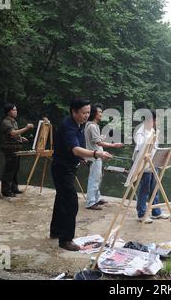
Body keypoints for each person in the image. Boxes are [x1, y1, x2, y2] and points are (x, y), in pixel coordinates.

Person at [50, 98, 113, 251]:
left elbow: (75, 150)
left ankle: (56, 231)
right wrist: (96, 154)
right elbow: (75, 149)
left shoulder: (79, 124)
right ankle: (66, 240)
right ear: (74, 111)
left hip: (68, 167)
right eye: (84, 113)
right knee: (71, 203)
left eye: (88, 112)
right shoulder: (68, 127)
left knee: (61, 200)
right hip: (62, 169)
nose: (87, 116)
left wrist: (82, 158)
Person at [133, 110, 170, 224]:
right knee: (144, 189)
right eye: (156, 119)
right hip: (144, 164)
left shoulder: (153, 130)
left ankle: (156, 212)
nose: (157, 121)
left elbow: (155, 148)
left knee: (155, 188)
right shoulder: (141, 132)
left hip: (154, 163)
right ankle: (141, 214)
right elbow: (139, 150)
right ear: (151, 119)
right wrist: (145, 160)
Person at [84, 104, 124, 210]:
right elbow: (98, 143)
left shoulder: (92, 125)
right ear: (94, 113)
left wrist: (102, 137)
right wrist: (114, 145)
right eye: (100, 112)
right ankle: (90, 202)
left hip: (97, 155)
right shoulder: (92, 126)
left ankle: (96, 198)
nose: (101, 114)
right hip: (94, 156)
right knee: (94, 179)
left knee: (98, 177)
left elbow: (96, 141)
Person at [0, 103, 34, 197]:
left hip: (16, 148)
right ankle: (6, 191)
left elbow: (15, 135)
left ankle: (14, 188)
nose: (16, 111)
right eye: (13, 110)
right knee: (9, 169)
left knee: (15, 169)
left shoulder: (14, 121)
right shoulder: (6, 122)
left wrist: (20, 138)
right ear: (8, 112)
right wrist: (26, 128)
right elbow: (13, 133)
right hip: (9, 149)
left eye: (16, 110)